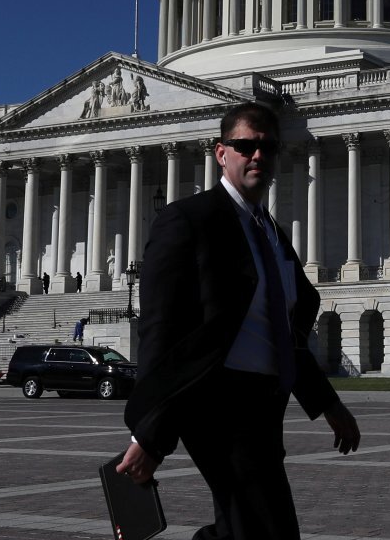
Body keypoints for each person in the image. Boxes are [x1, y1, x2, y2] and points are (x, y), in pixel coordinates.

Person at [117, 102, 360, 540]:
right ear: (221, 152)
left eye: (268, 147)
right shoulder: (189, 220)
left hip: (264, 404)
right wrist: (150, 435)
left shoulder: (269, 231)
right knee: (269, 529)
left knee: (246, 529)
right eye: (245, 146)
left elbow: (282, 329)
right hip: (216, 403)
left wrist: (327, 403)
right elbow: (161, 333)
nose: (257, 156)